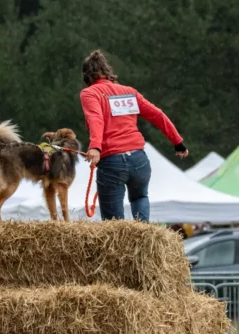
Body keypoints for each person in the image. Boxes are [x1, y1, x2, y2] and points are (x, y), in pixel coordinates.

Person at [79, 49, 188, 222]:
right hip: (139, 159)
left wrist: (95, 147)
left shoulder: (89, 93)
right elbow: (157, 114)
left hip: (112, 162)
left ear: (86, 76)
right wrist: (178, 142)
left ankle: (121, 240)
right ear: (108, 71)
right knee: (140, 197)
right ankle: (143, 235)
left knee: (114, 224)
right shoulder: (129, 92)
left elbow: (96, 119)